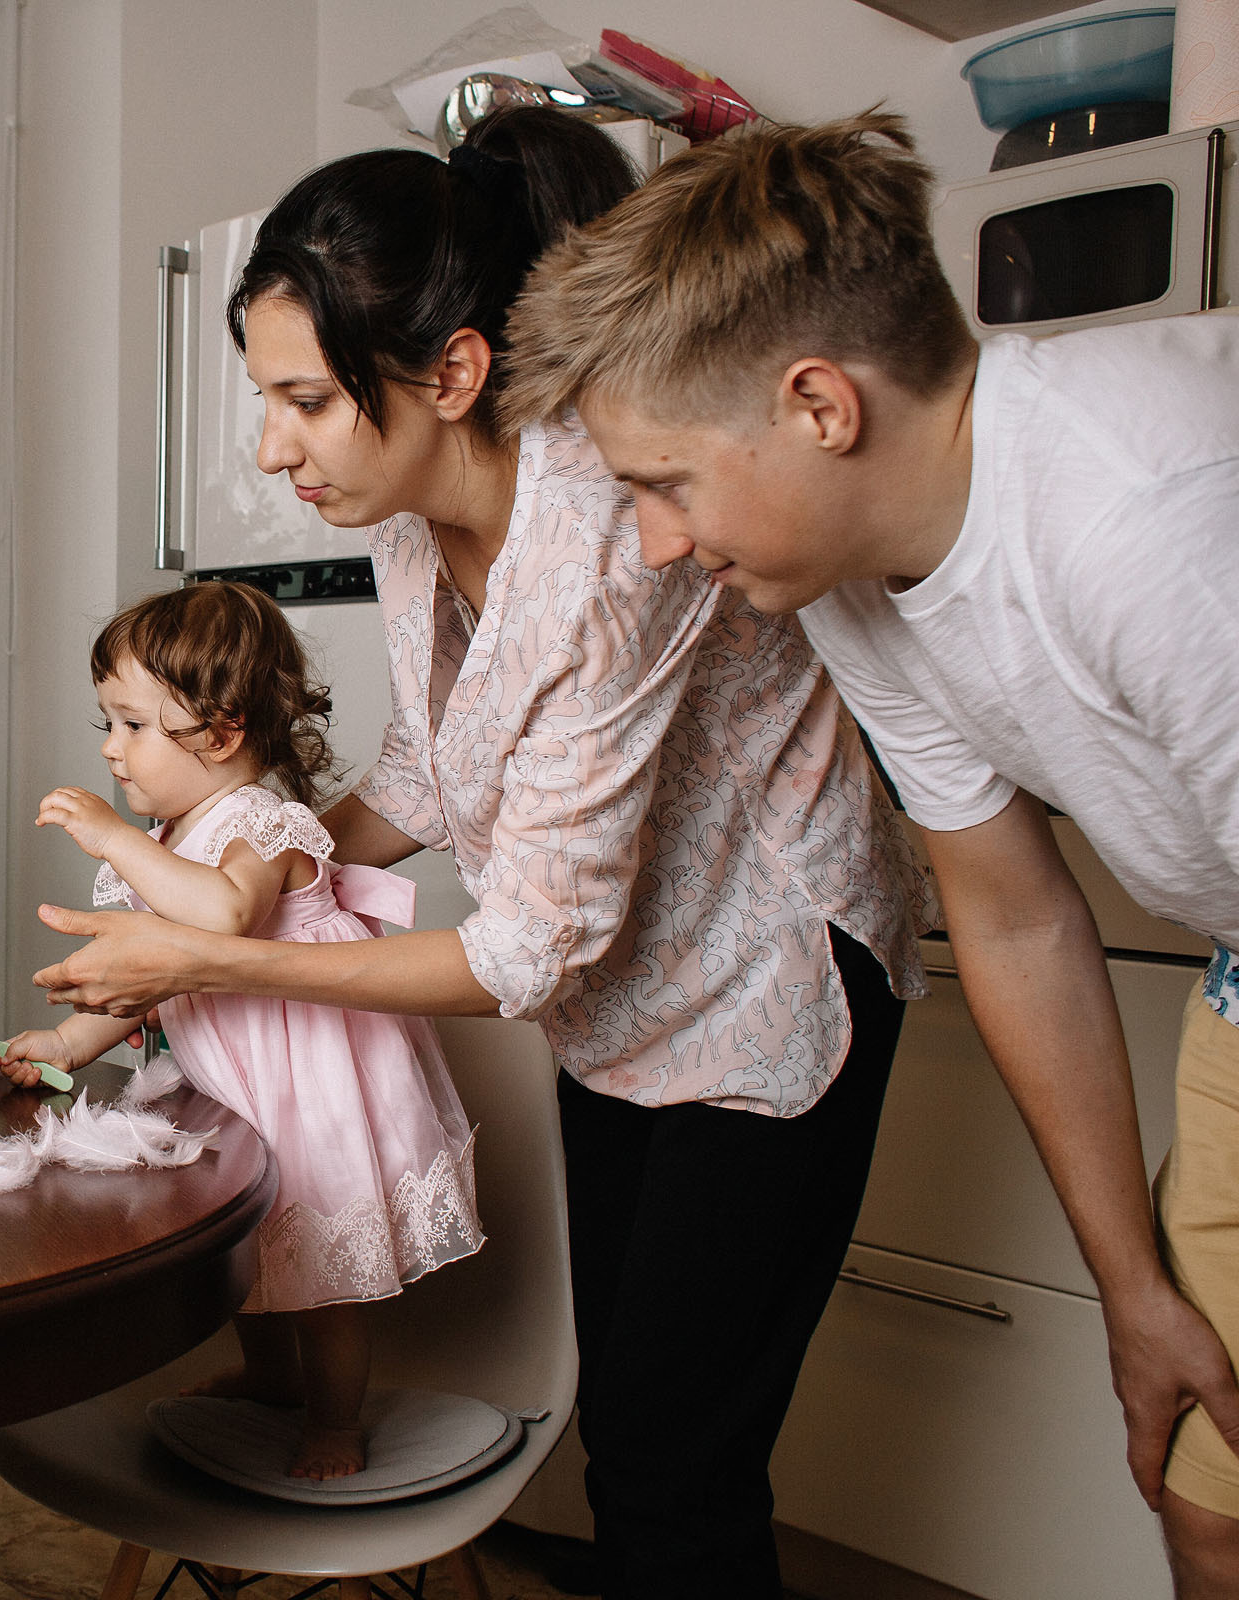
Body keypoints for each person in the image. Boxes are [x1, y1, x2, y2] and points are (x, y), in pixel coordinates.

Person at [31, 107, 934, 1599]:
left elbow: (524, 950)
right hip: (624, 1007)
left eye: (308, 401)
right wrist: (260, 858)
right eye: (265, 399)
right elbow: (429, 768)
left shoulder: (604, 547)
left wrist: (213, 951)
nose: (273, 449)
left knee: (671, 1467)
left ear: (450, 374)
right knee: (634, 1440)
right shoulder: (404, 516)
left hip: (779, 990)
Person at [500, 110, 1239, 1595]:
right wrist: (1132, 1287)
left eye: (665, 482)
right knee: (1208, 1485)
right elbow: (1015, 917)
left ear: (820, 405)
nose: (650, 544)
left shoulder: (1146, 530)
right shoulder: (853, 576)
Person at [0, 580, 481, 1481]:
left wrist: (113, 841)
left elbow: (217, 921)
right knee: (255, 1255)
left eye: (133, 725)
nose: (111, 750)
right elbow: (158, 970)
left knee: (324, 1277)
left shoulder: (265, 821)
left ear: (220, 734)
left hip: (311, 1092)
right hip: (237, 1096)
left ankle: (334, 1421)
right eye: (108, 722)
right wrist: (68, 1043)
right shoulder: (178, 832)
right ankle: (271, 1385)